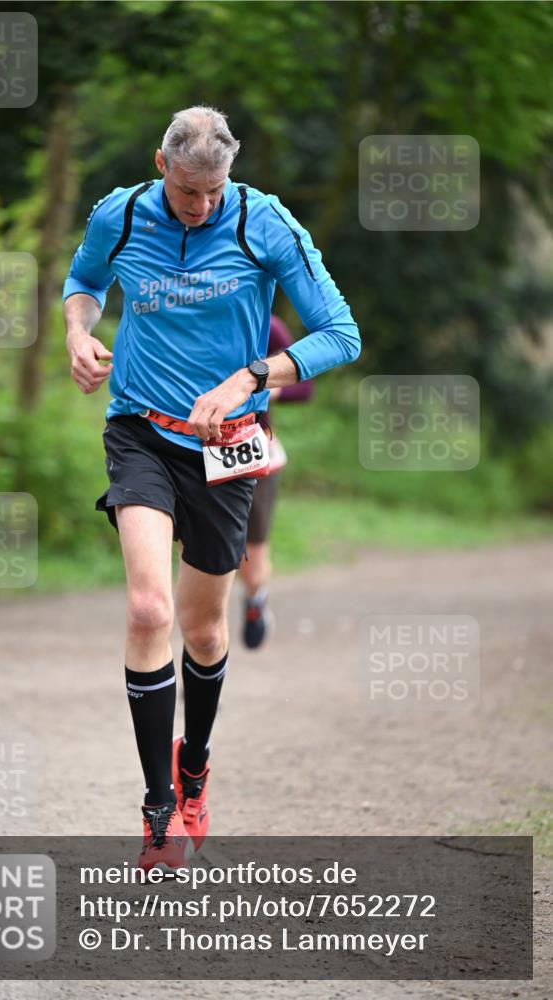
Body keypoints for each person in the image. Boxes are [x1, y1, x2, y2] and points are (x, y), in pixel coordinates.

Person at [62, 106, 360, 873]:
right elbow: (84, 280)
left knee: (201, 629)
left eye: (214, 191)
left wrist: (252, 376)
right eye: (189, 192)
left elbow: (339, 334)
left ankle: (193, 765)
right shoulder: (120, 213)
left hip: (228, 447)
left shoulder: (265, 223)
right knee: (147, 608)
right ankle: (158, 812)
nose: (201, 205)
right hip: (138, 430)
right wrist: (77, 332)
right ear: (162, 167)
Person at [240, 315, 313, 649]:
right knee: (208, 572)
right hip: (193, 454)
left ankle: (256, 599)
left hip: (256, 457)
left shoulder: (270, 327)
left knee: (252, 570)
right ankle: (201, 673)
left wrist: (262, 386)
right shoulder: (194, 311)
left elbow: (305, 385)